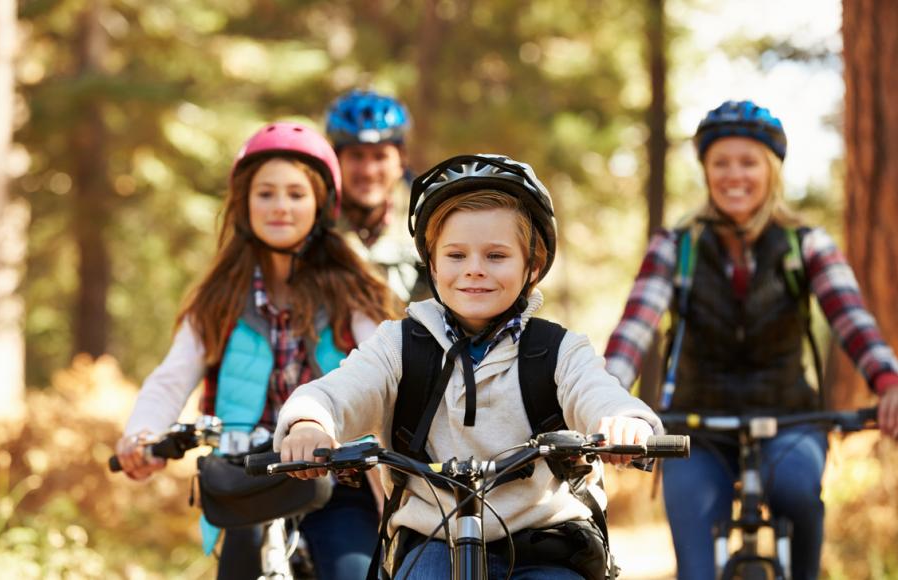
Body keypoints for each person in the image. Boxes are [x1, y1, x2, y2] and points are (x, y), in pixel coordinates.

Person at [275, 154, 665, 579]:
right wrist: (310, 423)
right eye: (456, 255)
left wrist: (624, 423)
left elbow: (598, 394)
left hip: (545, 540)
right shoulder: (398, 345)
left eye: (496, 256)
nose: (474, 271)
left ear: (531, 265)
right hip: (434, 539)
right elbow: (337, 392)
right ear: (433, 262)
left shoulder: (558, 350)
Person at [604, 100, 898, 580]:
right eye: (721, 162)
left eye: (748, 162)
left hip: (790, 419)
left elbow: (853, 322)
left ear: (772, 170)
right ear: (706, 171)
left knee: (800, 494)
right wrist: (609, 400)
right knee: (697, 567)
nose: (733, 175)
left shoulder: (806, 244)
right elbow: (633, 332)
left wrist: (888, 381)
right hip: (694, 427)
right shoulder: (676, 246)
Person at [114, 121, 399, 580]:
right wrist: (143, 434)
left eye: (296, 194)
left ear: (321, 204)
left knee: (355, 571)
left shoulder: (352, 290)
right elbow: (172, 376)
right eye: (265, 193)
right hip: (250, 477)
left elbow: (388, 369)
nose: (281, 207)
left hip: (339, 481)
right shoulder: (220, 296)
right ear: (244, 204)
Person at [325, 89, 428, 303]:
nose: (368, 171)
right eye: (356, 156)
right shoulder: (313, 222)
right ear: (336, 160)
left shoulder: (430, 221)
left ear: (401, 161)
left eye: (380, 156)